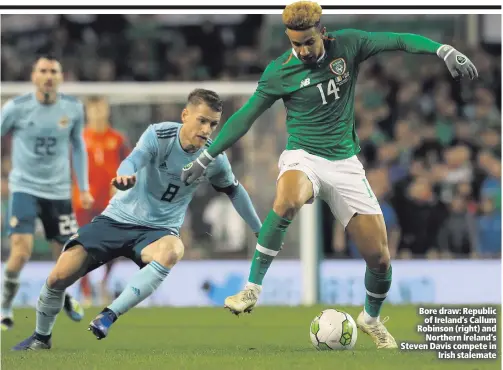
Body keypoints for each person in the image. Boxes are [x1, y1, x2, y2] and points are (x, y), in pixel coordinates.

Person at [180, 1, 478, 349]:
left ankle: (371, 318)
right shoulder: (280, 72)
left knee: (379, 257)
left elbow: (397, 39)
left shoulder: (349, 44)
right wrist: (207, 155)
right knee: (288, 199)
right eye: (295, 44)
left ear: (321, 31)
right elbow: (245, 117)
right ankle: (251, 288)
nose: (303, 50)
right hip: (303, 156)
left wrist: (441, 48)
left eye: (308, 42)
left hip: (345, 164)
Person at [12, 88, 262, 350]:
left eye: (213, 124)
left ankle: (108, 315)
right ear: (185, 115)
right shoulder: (159, 134)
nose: (207, 129)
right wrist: (125, 175)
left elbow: (235, 190)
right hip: (117, 219)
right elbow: (131, 161)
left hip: (158, 231)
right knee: (58, 277)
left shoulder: (214, 158)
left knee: (173, 249)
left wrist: (260, 229)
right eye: (202, 120)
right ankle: (41, 338)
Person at [0, 55, 94, 331]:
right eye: (43, 70)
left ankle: (64, 296)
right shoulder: (16, 108)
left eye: (53, 71)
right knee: (21, 252)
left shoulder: (73, 108)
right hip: (24, 188)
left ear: (61, 77)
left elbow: (78, 147)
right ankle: (5, 306)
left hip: (58, 191)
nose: (48, 75)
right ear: (33, 76)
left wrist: (84, 187)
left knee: (67, 255)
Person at [73, 96, 131, 306]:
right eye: (94, 110)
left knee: (114, 245)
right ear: (88, 112)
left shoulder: (117, 139)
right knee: (81, 246)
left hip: (110, 201)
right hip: (83, 201)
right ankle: (86, 291)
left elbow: (130, 164)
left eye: (101, 109)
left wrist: (121, 184)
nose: (98, 114)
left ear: (107, 111)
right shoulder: (79, 138)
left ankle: (104, 282)